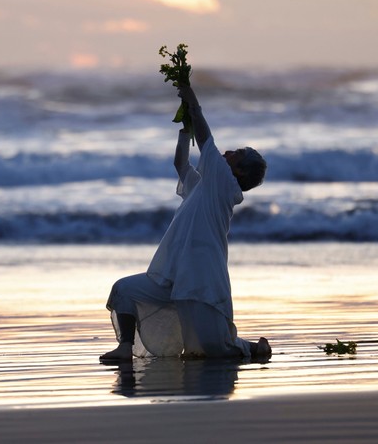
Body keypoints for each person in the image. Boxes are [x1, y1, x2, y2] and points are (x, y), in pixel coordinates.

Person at [100, 84, 270, 362]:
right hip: (173, 272)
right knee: (124, 289)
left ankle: (252, 347)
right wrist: (185, 130)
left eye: (235, 154)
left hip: (201, 276)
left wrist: (193, 101)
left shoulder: (225, 184)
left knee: (215, 349)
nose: (228, 152)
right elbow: (181, 165)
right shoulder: (205, 185)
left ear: (238, 171)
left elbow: (207, 142)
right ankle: (125, 348)